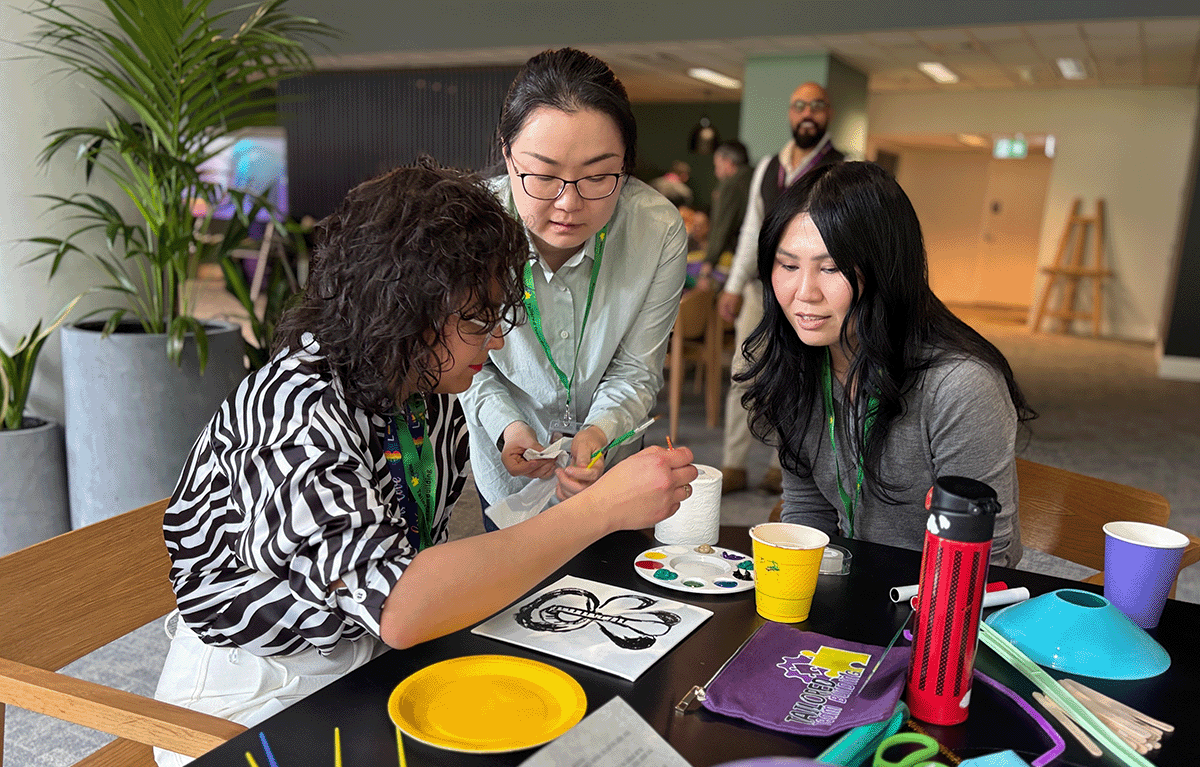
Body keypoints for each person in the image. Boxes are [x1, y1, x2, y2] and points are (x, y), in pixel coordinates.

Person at [152, 160, 697, 766]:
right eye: (478, 316)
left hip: (360, 655)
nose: (495, 340)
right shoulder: (298, 415)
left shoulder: (417, 388)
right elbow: (402, 608)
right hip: (257, 691)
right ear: (402, 307)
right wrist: (597, 511)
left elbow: (411, 582)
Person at [740, 161, 1032, 567]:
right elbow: (809, 519)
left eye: (831, 268)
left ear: (885, 270)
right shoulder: (803, 362)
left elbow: (982, 560)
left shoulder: (961, 385)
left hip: (938, 605)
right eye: (788, 266)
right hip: (849, 588)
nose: (804, 293)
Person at [460, 48, 689, 527]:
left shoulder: (656, 230)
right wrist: (508, 426)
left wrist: (599, 432)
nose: (568, 203)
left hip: (612, 467)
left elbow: (636, 369)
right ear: (506, 154)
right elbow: (465, 361)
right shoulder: (469, 225)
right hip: (507, 469)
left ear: (626, 164)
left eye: (599, 176)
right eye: (543, 176)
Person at [717, 82, 845, 496]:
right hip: (760, 292)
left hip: (810, 293)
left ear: (828, 113)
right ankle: (733, 463)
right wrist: (734, 286)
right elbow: (752, 230)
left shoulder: (841, 167)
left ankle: (782, 464)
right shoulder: (768, 167)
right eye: (799, 106)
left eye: (817, 105)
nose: (808, 113)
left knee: (801, 377)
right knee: (744, 373)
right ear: (790, 114)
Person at [697, 140, 752, 289]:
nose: (716, 172)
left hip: (740, 260)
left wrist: (707, 266)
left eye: (717, 165)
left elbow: (721, 227)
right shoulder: (756, 177)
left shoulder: (730, 185)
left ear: (728, 163)